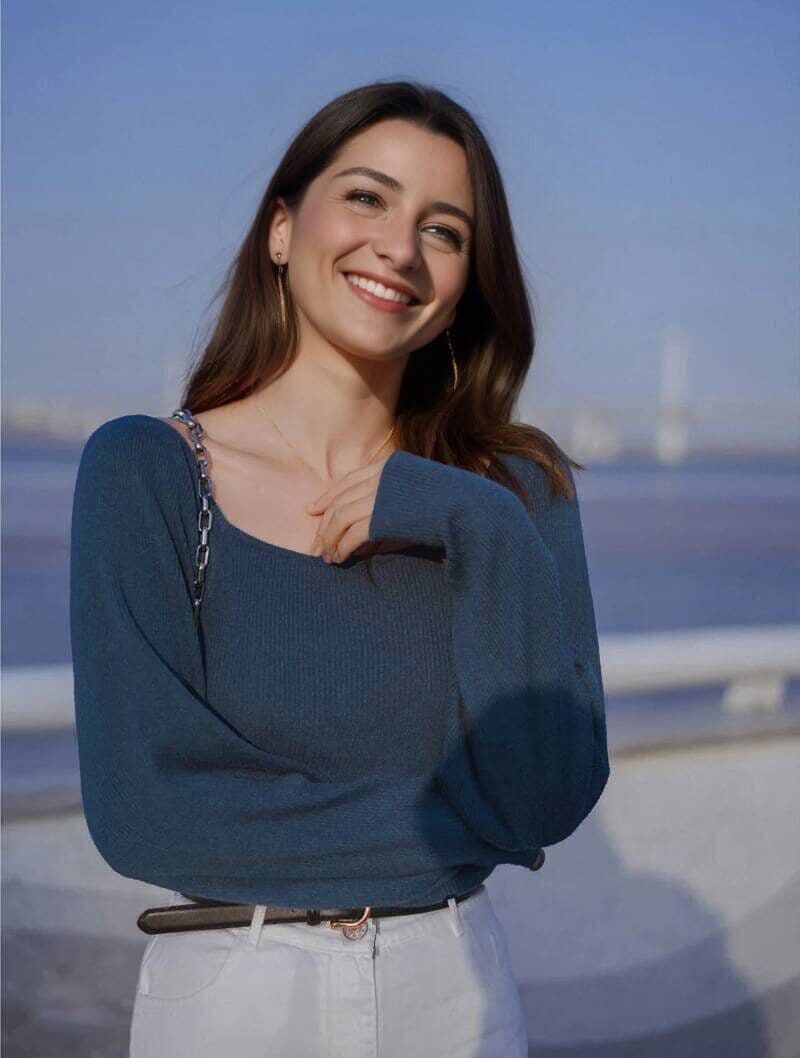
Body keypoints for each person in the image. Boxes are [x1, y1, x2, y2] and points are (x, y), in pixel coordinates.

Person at [69, 79, 610, 1058]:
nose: (398, 248)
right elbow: (143, 810)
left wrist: (470, 518)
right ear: (281, 228)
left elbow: (550, 793)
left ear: (464, 284)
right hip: (233, 993)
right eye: (366, 197)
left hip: (453, 993)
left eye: (442, 230)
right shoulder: (144, 471)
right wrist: (462, 827)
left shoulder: (512, 490)